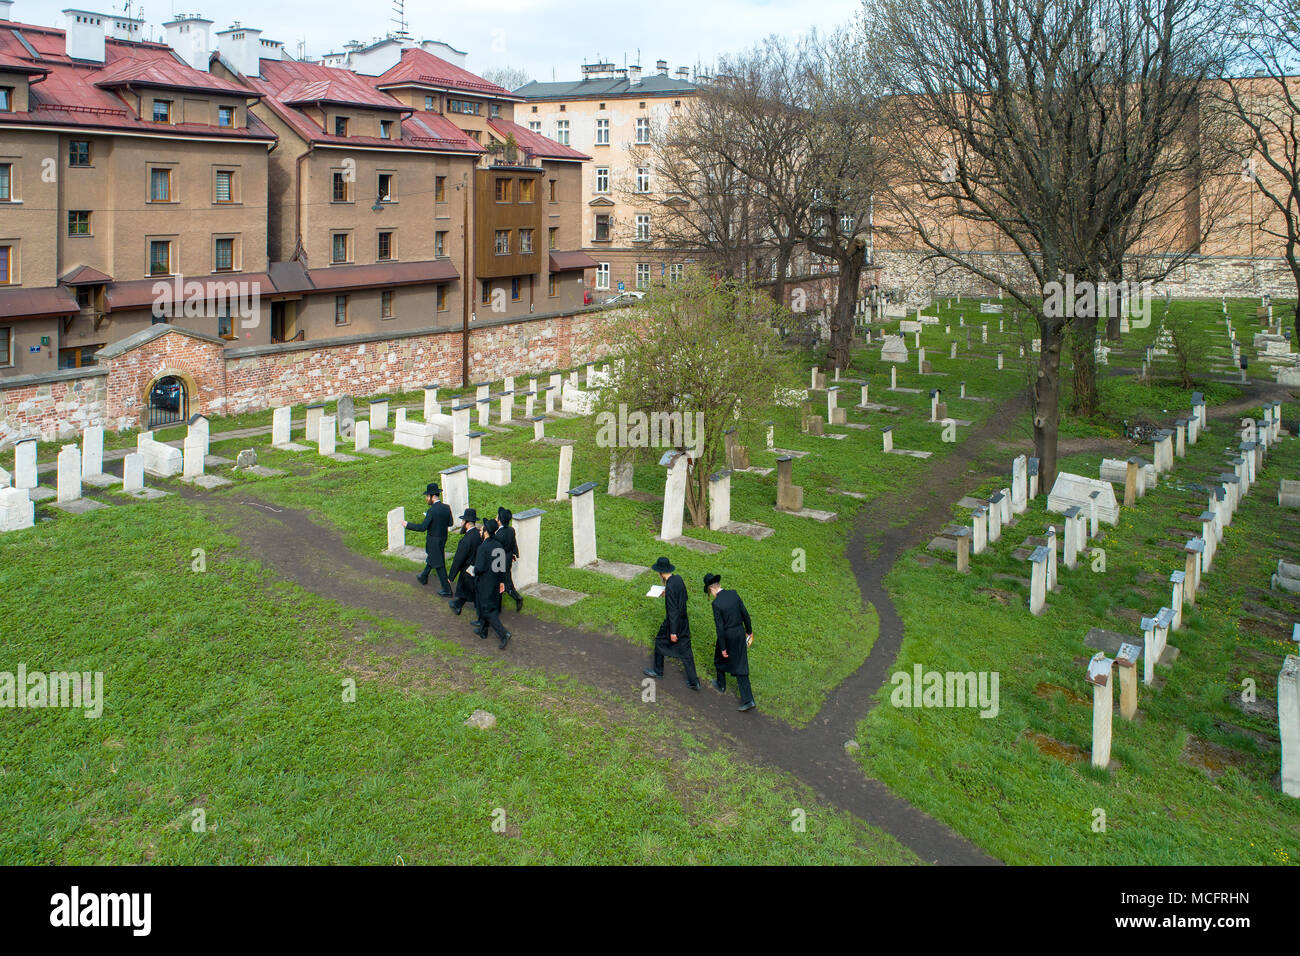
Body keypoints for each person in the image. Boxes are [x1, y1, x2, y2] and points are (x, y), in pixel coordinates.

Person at [643, 556, 699, 690]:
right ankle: (693, 681)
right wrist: (667, 593)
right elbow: (684, 597)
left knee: (659, 641)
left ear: (661, 573)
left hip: (673, 623)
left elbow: (672, 611)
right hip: (684, 621)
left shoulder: (670, 586)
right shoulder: (677, 579)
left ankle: (658, 671)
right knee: (686, 650)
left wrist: (673, 632)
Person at [705, 573, 756, 712]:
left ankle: (722, 685)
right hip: (739, 632)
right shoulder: (734, 594)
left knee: (720, 657)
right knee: (741, 664)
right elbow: (745, 614)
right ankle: (748, 698)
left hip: (727, 635)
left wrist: (723, 647)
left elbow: (719, 628)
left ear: (711, 589)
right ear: (718, 585)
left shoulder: (716, 604)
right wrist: (749, 631)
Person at [406, 482, 453, 595]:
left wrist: (407, 524)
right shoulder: (446, 508)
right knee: (434, 558)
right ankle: (423, 576)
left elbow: (422, 528)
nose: (426, 499)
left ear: (432, 496)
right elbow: (450, 523)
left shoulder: (431, 511)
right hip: (443, 538)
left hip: (433, 541)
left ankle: (447, 590)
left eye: (427, 496)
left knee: (439, 564)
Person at [472, 517, 511, 649]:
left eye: (482, 529)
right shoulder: (498, 545)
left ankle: (503, 633)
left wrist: (474, 570)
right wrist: (502, 582)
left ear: (486, 532)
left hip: (485, 583)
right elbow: (501, 567)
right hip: (495, 581)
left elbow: (480, 567)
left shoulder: (483, 547)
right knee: (487, 606)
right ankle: (483, 630)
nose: (480, 531)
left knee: (487, 609)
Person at [446, 508, 482, 616]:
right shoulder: (478, 535)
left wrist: (451, 576)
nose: (461, 523)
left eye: (462, 521)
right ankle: (457, 605)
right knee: (466, 589)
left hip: (468, 570)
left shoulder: (466, 540)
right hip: (477, 567)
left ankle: (482, 617)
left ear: (466, 523)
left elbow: (458, 559)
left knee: (473, 593)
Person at [496, 507, 523, 612]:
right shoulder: (511, 530)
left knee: (503, 582)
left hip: (500, 561)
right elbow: (513, 544)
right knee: (504, 581)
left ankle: (516, 598)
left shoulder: (499, 534)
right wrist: (514, 554)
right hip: (507, 559)